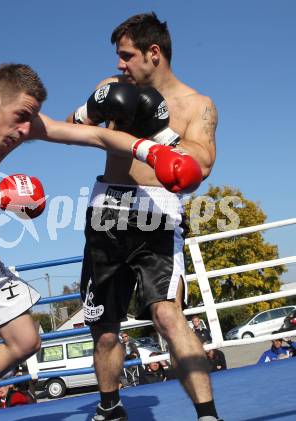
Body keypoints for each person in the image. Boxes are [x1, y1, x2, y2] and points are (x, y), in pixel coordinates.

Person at [0, 62, 175, 421]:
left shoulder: (21, 124)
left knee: (25, 339)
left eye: (31, 120)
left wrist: (151, 151)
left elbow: (94, 136)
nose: (26, 130)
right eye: (21, 117)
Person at [67, 12, 219, 421]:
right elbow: (72, 128)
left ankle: (207, 414)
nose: (119, 64)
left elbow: (201, 166)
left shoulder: (196, 105)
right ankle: (110, 408)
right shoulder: (110, 88)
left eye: (126, 55)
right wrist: (91, 110)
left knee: (169, 314)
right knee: (105, 329)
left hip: (158, 211)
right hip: (108, 208)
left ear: (154, 53)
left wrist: (161, 131)